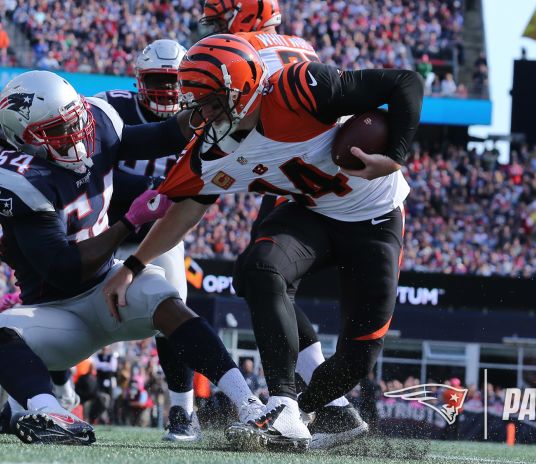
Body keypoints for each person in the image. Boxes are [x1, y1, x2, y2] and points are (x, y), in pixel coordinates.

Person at [103, 34, 423, 450]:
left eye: (210, 102)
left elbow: (405, 82)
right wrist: (133, 266)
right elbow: (185, 208)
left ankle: (315, 412)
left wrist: (395, 156)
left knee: (357, 360)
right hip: (311, 213)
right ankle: (283, 406)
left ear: (241, 89)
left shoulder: (300, 89)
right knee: (258, 268)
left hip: (376, 219)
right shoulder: (210, 150)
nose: (202, 114)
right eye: (196, 103)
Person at [0, 70, 263, 445]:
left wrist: (203, 113)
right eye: (60, 130)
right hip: (59, 314)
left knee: (166, 299)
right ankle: (52, 414)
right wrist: (130, 222)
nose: (77, 133)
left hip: (108, 290)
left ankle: (249, 404)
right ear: (26, 139)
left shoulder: (98, 121)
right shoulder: (16, 179)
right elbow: (65, 269)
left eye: (76, 120)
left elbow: (160, 135)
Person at [197, 0, 370, 450]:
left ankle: (311, 406)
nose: (214, 29)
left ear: (246, 15)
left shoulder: (246, 51)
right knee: (258, 277)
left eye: (220, 20)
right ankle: (333, 408)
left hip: (295, 172)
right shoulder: (299, 45)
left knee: (261, 274)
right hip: (304, 169)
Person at [98, 39, 200, 442]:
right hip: (103, 231)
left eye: (176, 81)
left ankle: (183, 411)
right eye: (158, 80)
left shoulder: (205, 120)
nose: (168, 89)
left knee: (174, 315)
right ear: (140, 80)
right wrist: (146, 188)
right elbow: (85, 167)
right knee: (54, 302)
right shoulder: (109, 108)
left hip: (158, 237)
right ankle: (27, 402)